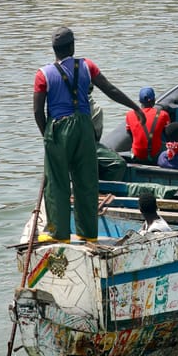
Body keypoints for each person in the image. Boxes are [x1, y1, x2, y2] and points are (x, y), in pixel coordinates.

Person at [33, 26, 144, 243]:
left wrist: (47, 135)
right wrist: (135, 107)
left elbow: (38, 111)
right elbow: (110, 89)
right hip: (84, 128)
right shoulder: (87, 66)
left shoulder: (43, 74)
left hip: (58, 127)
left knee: (57, 182)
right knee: (86, 181)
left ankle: (59, 234)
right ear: (72, 46)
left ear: (54, 49)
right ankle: (88, 233)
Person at [125, 86, 171, 162]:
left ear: (140, 101)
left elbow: (130, 134)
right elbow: (168, 135)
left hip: (138, 154)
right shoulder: (163, 114)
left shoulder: (129, 115)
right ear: (154, 100)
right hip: (155, 154)